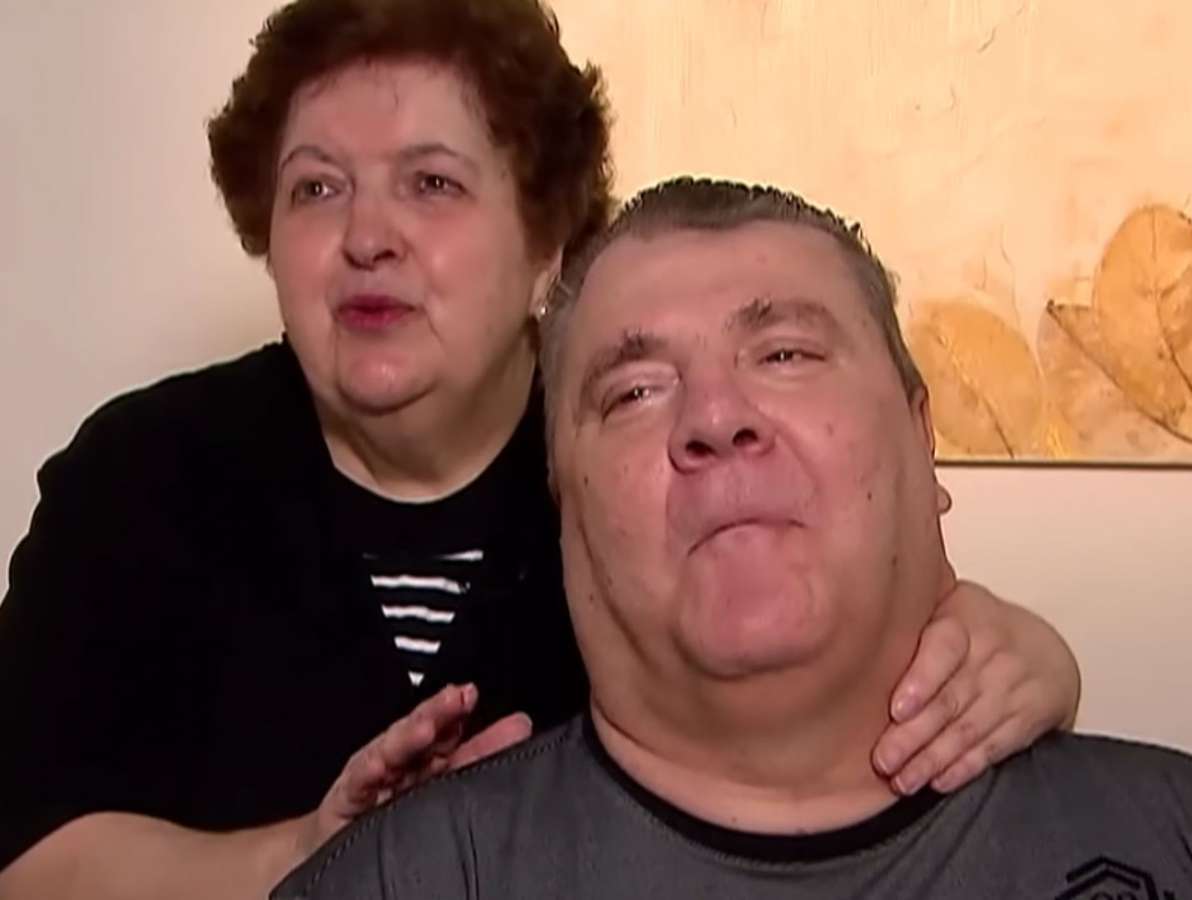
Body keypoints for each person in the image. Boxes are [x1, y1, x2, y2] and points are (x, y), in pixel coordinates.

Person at [0, 2, 1079, 898]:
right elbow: (27, 858)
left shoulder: (635, 463)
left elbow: (827, 711)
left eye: (432, 183)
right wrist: (317, 857)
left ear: (547, 244)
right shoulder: (142, 475)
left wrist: (1023, 663)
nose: (366, 237)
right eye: (317, 187)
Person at [275, 177, 1192, 900]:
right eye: (635, 391)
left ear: (922, 437)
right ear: (562, 501)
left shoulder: (1175, 840)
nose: (715, 417)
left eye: (786, 354)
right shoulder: (402, 884)